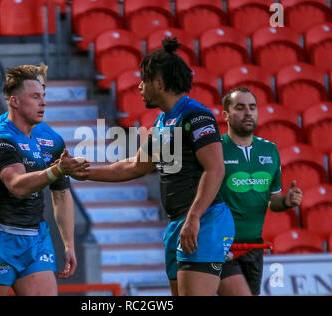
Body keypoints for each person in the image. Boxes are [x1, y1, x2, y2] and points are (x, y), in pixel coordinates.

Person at [72, 37, 235, 296]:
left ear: (159, 83)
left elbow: (215, 169)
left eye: (143, 80)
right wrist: (85, 172)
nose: (139, 86)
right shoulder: (162, 122)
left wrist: (193, 219)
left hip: (205, 221)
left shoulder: (196, 115)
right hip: (178, 224)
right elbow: (136, 165)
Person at [0, 65, 87, 295]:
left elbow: (61, 194)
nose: (43, 102)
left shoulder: (53, 140)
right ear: (14, 100)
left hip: (35, 239)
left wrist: (69, 245)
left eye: (44, 94)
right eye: (36, 96)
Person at [217, 87, 303, 296]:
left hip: (253, 246)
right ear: (226, 115)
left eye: (252, 107)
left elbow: (273, 201)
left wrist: (287, 202)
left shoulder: (270, 150)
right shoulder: (215, 148)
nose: (248, 112)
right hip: (219, 245)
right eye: (240, 108)